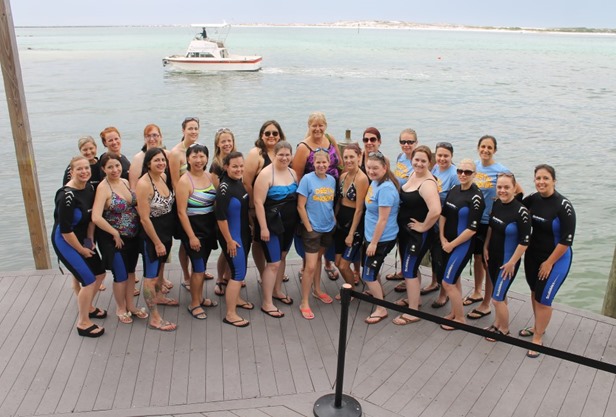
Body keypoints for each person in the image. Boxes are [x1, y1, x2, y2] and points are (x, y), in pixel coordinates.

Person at [466, 135, 523, 320]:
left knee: (487, 261)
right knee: (477, 258)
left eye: (489, 147)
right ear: (478, 148)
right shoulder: (474, 167)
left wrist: (509, 211)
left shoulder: (501, 170)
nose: (486, 150)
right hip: (475, 222)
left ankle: (487, 303)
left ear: (495, 150)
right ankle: (477, 291)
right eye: (483, 146)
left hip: (491, 222)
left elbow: (518, 191)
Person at [521, 164, 575, 358]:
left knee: (544, 299)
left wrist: (549, 262)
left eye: (545, 178)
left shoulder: (563, 206)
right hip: (534, 255)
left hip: (556, 259)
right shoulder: (532, 200)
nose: (541, 182)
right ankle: (538, 326)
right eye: (538, 178)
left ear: (554, 181)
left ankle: (537, 338)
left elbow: (567, 240)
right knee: (535, 292)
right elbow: (516, 205)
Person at [52, 156, 106, 337]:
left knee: (100, 274)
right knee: (89, 280)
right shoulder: (66, 195)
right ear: (71, 172)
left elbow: (91, 218)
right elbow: (66, 230)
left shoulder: (89, 187)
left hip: (83, 238)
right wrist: (82, 250)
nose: (84, 172)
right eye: (79, 169)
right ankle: (83, 322)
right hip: (66, 241)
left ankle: (87, 306)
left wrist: (90, 240)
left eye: (86, 169)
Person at [91, 153, 147, 324]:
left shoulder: (123, 182)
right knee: (120, 275)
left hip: (132, 236)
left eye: (117, 166)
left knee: (131, 273)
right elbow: (96, 217)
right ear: (103, 169)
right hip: (113, 239)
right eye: (110, 167)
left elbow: (134, 204)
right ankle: (120, 307)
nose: (115, 170)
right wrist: (114, 233)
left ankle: (131, 305)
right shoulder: (103, 188)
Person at [292, 112, 342, 282]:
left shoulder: (330, 139)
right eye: (314, 125)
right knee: (311, 233)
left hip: (331, 190)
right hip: (312, 195)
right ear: (309, 126)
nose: (318, 129)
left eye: (321, 125)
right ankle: (306, 266)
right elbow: (297, 176)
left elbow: (339, 161)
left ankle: (327, 263)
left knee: (328, 230)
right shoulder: (303, 147)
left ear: (325, 126)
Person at [394, 145, 441, 325]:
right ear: (411, 159)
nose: (419, 163)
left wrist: (423, 227)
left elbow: (436, 210)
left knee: (409, 269)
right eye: (416, 160)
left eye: (423, 161)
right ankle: (416, 300)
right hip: (406, 232)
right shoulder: (414, 174)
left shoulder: (427, 184)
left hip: (417, 236)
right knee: (412, 268)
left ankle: (413, 311)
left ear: (430, 162)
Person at [483, 172, 530, 340]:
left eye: (506, 187)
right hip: (493, 257)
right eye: (499, 187)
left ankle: (504, 331)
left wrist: (512, 262)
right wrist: (485, 246)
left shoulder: (521, 212)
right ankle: (497, 323)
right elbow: (491, 228)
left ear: (514, 188)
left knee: (496, 299)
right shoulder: (496, 204)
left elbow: (524, 242)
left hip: (508, 262)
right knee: (500, 295)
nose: (502, 190)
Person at [253, 141, 298, 317]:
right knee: (273, 263)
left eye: (288, 155)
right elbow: (258, 202)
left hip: (289, 224)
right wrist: (263, 227)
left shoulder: (293, 173)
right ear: (274, 155)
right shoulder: (265, 174)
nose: (285, 158)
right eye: (281, 155)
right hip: (271, 225)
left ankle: (276, 290)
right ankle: (267, 302)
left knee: (283, 257)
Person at [439, 159, 484, 330]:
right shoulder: (454, 189)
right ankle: (454, 312)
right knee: (454, 279)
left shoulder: (476, 197)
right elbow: (444, 215)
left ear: (475, 174)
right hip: (447, 242)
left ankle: (460, 319)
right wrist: (442, 237)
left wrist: (452, 245)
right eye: (459, 171)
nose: (462, 175)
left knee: (447, 283)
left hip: (462, 245)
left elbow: (472, 229)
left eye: (467, 172)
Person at [135, 148, 178, 332]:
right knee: (150, 277)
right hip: (151, 235)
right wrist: (157, 242)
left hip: (165, 231)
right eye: (156, 161)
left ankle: (159, 296)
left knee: (160, 267)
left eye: (162, 160)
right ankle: (154, 317)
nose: (161, 163)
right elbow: (144, 218)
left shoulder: (163, 177)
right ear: (148, 164)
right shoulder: (144, 184)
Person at [176, 144, 219, 320]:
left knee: (200, 266)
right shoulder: (184, 181)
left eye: (202, 156)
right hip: (193, 229)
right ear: (188, 159)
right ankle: (194, 303)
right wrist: (191, 236)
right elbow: (181, 212)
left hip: (208, 228)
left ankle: (200, 297)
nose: (198, 160)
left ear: (207, 159)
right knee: (199, 268)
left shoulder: (210, 177)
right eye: (194, 156)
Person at [243, 121, 286, 286]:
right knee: (258, 240)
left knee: (274, 242)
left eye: (275, 133)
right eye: (267, 133)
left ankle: (271, 270)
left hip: (278, 210)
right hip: (259, 207)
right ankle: (263, 272)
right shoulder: (256, 154)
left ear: (280, 135)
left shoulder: (281, 152)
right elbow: (247, 183)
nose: (271, 136)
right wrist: (253, 207)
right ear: (261, 135)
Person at [296, 149, 336, 320]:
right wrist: (309, 227)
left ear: (329, 163)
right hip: (312, 229)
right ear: (313, 163)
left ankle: (317, 290)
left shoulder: (332, 180)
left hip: (328, 227)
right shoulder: (307, 179)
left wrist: (333, 220)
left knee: (318, 260)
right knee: (310, 266)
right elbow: (300, 206)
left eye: (324, 162)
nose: (321, 165)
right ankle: (304, 301)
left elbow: (330, 203)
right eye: (318, 162)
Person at [62, 135, 105, 292]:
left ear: (96, 148)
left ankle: (92, 278)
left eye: (91, 148)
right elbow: (68, 191)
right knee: (81, 254)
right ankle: (78, 283)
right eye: (84, 149)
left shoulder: (100, 164)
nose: (88, 151)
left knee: (92, 246)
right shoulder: (73, 169)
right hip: (81, 216)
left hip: (94, 216)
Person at [362, 151, 400, 324]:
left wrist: (374, 243)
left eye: (375, 168)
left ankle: (381, 308)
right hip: (371, 235)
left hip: (382, 238)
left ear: (385, 168)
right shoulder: (376, 182)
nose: (371, 171)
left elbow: (383, 219)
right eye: (369, 167)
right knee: (370, 270)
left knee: (368, 275)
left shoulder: (385, 189)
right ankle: (377, 293)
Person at [216, 152, 253, 327]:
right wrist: (229, 240)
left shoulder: (238, 182)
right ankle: (230, 314)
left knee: (239, 270)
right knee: (238, 273)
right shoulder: (224, 188)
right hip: (233, 237)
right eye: (235, 166)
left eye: (241, 166)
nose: (239, 169)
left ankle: (236, 299)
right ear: (226, 167)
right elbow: (221, 217)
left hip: (243, 234)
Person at [423, 141, 461, 307]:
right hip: (433, 219)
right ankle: (434, 282)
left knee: (443, 258)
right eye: (439, 155)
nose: (442, 158)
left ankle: (444, 293)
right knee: (434, 253)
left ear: (452, 157)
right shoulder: (435, 169)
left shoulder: (454, 175)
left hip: (446, 221)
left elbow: (456, 202)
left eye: (446, 156)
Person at [169, 117, 201, 291]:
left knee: (198, 237)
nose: (193, 131)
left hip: (198, 203)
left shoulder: (199, 149)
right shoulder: (175, 153)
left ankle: (198, 268)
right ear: (183, 130)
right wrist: (184, 204)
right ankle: (187, 275)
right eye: (190, 128)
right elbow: (174, 182)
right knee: (185, 240)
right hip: (183, 203)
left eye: (196, 128)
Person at [334, 143, 369, 294]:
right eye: (346, 157)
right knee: (337, 262)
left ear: (359, 157)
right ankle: (350, 286)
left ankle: (352, 291)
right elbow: (339, 202)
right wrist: (334, 220)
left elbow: (360, 209)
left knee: (343, 265)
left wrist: (351, 233)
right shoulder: (343, 176)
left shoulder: (361, 179)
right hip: (340, 223)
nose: (348, 160)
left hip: (354, 225)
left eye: (351, 157)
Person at [209, 128, 237, 296]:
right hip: (223, 211)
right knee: (226, 246)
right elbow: (217, 191)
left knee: (234, 245)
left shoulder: (237, 159)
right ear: (218, 144)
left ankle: (230, 275)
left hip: (236, 210)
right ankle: (220, 278)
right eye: (223, 141)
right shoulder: (216, 165)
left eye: (229, 141)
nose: (227, 144)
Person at [388, 128, 419, 282]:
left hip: (413, 206)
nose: (406, 145)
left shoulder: (418, 160)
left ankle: (411, 276)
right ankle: (403, 271)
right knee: (401, 241)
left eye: (410, 142)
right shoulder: (400, 157)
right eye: (403, 142)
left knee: (411, 244)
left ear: (416, 143)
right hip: (400, 204)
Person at [129, 124, 168, 191]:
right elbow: (133, 188)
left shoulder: (168, 155)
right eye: (148, 136)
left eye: (155, 135)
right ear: (145, 138)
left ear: (161, 137)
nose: (152, 139)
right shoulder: (138, 159)